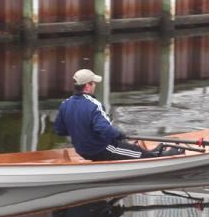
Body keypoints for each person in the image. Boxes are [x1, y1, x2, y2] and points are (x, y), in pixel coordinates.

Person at [54, 69, 183, 161]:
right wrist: (119, 134)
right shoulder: (93, 105)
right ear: (87, 87)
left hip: (81, 150)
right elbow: (104, 129)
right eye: (94, 84)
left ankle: (154, 152)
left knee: (132, 149)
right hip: (101, 149)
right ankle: (168, 156)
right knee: (139, 154)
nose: (95, 86)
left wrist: (80, 130)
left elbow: (60, 131)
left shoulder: (65, 104)